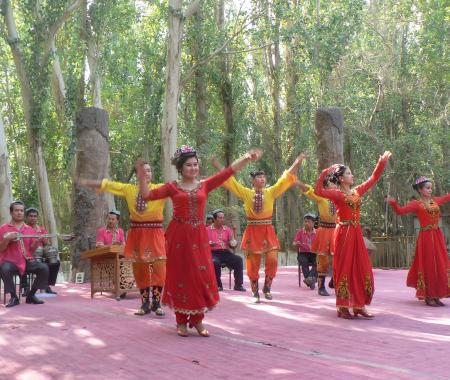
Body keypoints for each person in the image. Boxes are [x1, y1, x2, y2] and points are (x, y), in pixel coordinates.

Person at [137, 145, 262, 337]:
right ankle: (181, 322)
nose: (193, 168)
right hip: (179, 237)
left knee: (201, 275)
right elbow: (147, 195)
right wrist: (143, 179)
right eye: (189, 165)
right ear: (180, 168)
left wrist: (246, 157)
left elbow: (228, 172)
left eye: (195, 165)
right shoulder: (172, 187)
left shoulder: (205, 184)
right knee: (181, 276)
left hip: (199, 237)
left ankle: (197, 320)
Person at [211, 153, 305, 302]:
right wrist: (217, 165)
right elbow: (231, 182)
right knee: (253, 264)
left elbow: (285, 180)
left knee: (273, 260)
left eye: (264, 177)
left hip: (268, 230)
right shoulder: (246, 193)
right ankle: (255, 292)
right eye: (259, 177)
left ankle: (267, 287)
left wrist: (297, 162)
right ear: (253, 181)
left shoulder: (271, 192)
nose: (262, 179)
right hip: (252, 231)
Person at [78, 162, 168, 317]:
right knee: (141, 270)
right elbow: (109, 185)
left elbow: (180, 187)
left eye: (148, 171)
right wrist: (89, 182)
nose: (146, 173)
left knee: (159, 268)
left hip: (155, 232)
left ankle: (157, 303)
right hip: (137, 233)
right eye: (142, 171)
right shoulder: (129, 189)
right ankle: (145, 304)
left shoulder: (160, 188)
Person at [315, 151, 391, 319]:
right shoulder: (337, 194)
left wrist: (381, 163)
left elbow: (372, 179)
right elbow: (318, 191)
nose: (352, 175)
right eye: (349, 173)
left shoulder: (356, 192)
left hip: (356, 232)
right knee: (345, 267)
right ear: (341, 179)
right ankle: (342, 306)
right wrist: (324, 173)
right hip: (343, 233)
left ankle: (358, 305)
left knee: (361, 267)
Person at [386, 177, 450, 306]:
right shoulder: (416, 203)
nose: (430, 190)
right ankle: (429, 295)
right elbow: (400, 211)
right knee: (428, 264)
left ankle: (436, 294)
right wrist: (393, 203)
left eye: (431, 187)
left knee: (439, 264)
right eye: (427, 187)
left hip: (437, 236)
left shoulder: (435, 201)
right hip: (425, 237)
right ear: (420, 190)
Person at [0, 201, 49, 307]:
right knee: (4, 268)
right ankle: (14, 297)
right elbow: (1, 248)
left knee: (44, 268)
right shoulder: (3, 228)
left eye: (21, 210)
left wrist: (37, 241)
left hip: (26, 260)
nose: (19, 213)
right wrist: (7, 239)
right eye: (16, 210)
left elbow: (31, 250)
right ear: (11, 212)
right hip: (10, 261)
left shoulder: (29, 229)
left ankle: (31, 295)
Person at [297, 175, 338, 296]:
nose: (334, 184)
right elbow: (309, 191)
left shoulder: (340, 197)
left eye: (335, 183)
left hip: (336, 230)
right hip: (324, 230)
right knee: (323, 260)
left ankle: (334, 280)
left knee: (338, 258)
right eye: (331, 183)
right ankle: (321, 287)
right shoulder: (322, 197)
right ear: (325, 186)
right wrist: (299, 183)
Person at [21, 207, 60, 295]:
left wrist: (43, 238)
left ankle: (46, 285)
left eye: (35, 216)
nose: (33, 218)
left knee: (55, 262)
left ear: (37, 218)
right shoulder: (23, 229)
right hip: (27, 255)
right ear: (26, 217)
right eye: (30, 216)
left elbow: (47, 244)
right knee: (22, 262)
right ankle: (25, 288)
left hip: (40, 255)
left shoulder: (41, 229)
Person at [207, 209, 245, 292]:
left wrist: (233, 243)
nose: (222, 220)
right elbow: (203, 243)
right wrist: (208, 243)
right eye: (220, 218)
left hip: (225, 252)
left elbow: (232, 244)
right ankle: (218, 285)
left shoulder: (227, 229)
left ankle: (238, 285)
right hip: (213, 253)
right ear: (214, 219)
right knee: (214, 262)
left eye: (223, 218)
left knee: (238, 260)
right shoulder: (207, 230)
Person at [293, 213, 317, 291]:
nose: (306, 223)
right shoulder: (300, 232)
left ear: (313, 223)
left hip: (314, 253)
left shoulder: (318, 232)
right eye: (305, 221)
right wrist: (297, 243)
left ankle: (309, 279)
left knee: (319, 261)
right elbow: (294, 242)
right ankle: (311, 280)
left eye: (309, 221)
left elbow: (321, 243)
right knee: (303, 261)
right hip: (303, 253)